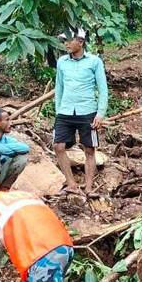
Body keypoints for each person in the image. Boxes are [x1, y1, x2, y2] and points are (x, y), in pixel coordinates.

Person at [52, 27, 108, 198]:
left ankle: (89, 188)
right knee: (58, 146)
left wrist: (100, 113)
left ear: (81, 42)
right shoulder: (62, 62)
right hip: (65, 111)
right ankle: (72, 184)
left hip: (87, 111)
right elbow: (59, 86)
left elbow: (103, 88)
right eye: (64, 41)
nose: (66, 44)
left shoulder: (94, 61)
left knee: (89, 149)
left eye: (69, 40)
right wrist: (58, 109)